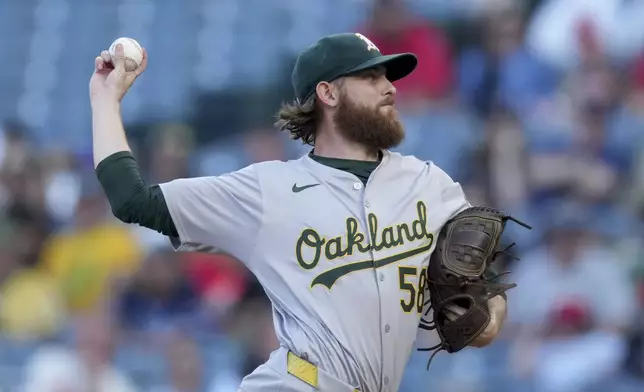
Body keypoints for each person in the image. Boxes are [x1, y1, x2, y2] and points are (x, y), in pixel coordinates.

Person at [89, 32, 508, 392]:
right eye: (371, 76)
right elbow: (133, 201)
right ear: (328, 93)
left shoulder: (430, 185)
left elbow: (485, 296)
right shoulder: (267, 190)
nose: (390, 88)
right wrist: (105, 101)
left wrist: (487, 319)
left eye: (388, 76)